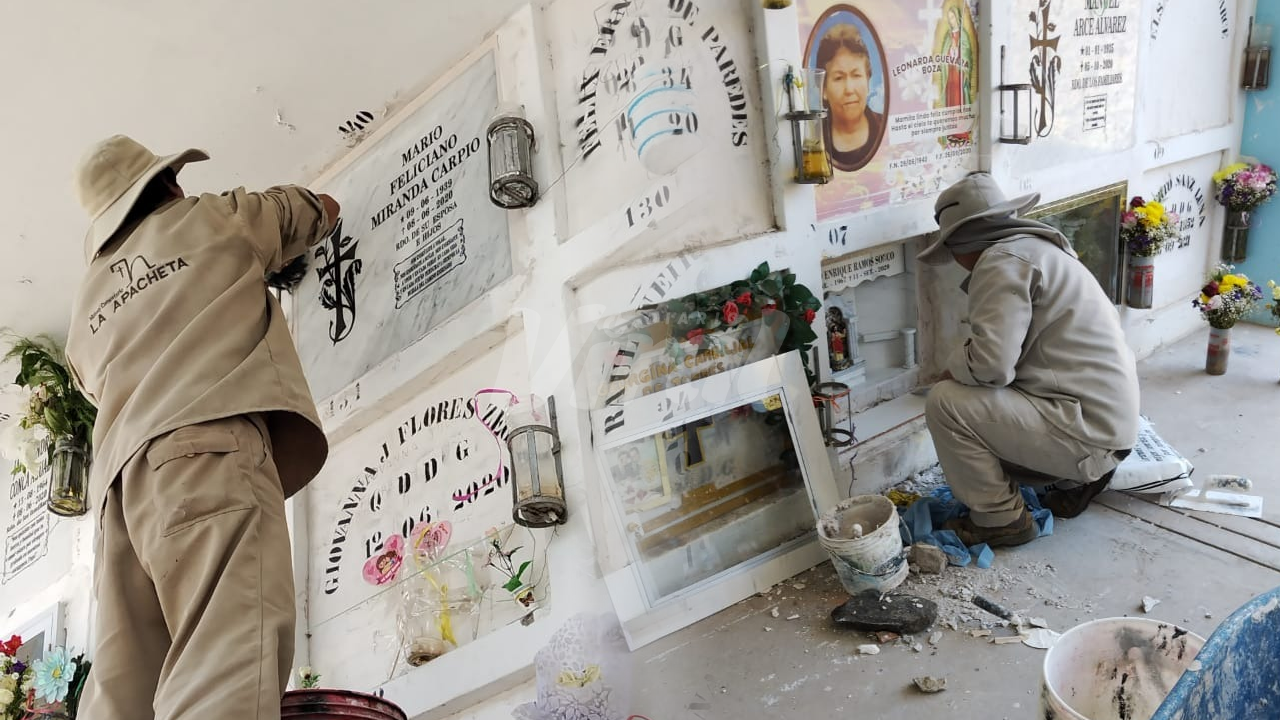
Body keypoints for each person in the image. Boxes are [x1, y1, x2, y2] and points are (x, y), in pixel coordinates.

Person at [66, 135, 340, 720]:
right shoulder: (214, 218)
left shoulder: (85, 308)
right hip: (205, 455)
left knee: (123, 696)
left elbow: (94, 385)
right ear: (167, 183)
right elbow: (315, 209)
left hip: (120, 496)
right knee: (224, 670)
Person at [918, 172, 1139, 547]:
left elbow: (991, 366)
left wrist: (951, 369)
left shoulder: (1000, 262)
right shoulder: (1038, 250)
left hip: (1090, 436)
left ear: (960, 244)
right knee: (993, 394)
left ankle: (1000, 519)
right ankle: (1071, 482)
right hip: (1108, 424)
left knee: (945, 402)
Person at [816, 23, 883, 172]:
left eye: (856, 75)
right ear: (823, 89)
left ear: (868, 80)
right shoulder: (813, 141)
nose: (849, 89)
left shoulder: (885, 130)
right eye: (839, 78)